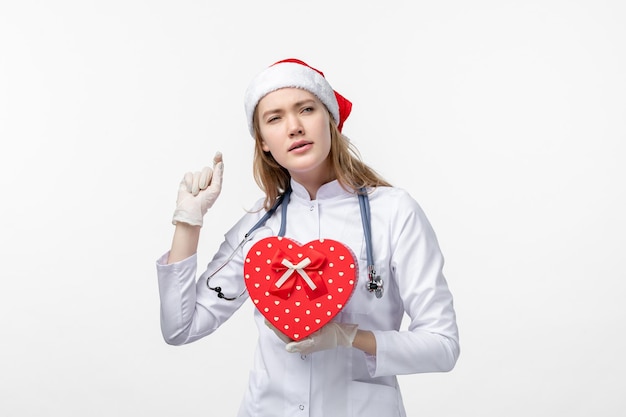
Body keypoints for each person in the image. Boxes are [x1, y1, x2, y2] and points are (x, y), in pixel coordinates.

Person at [156, 58, 460, 417]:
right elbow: (181, 328)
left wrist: (348, 337)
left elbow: (443, 346)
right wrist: (188, 222)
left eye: (306, 109)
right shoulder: (259, 226)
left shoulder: (394, 212)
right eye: (275, 118)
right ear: (264, 143)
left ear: (330, 119)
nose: (294, 127)